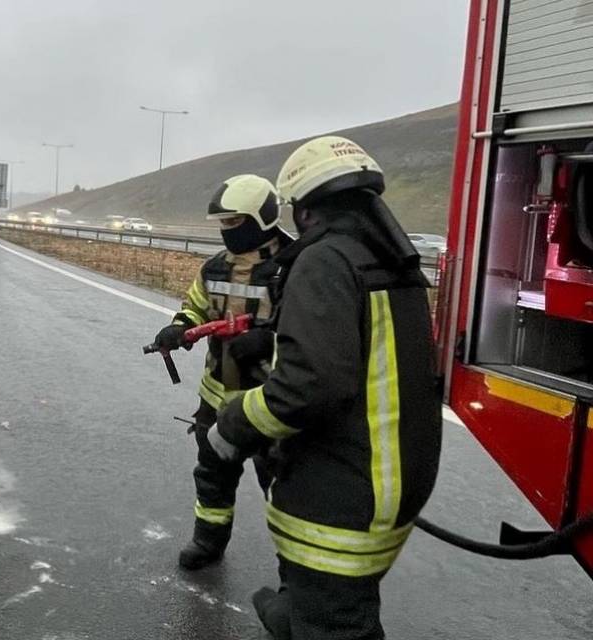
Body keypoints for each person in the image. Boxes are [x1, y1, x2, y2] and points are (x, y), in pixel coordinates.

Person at [209, 136, 442, 640]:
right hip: (396, 474)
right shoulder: (390, 263)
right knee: (337, 605)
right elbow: (355, 358)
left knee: (336, 624)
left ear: (306, 209)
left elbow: (309, 386)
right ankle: (296, 613)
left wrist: (235, 421)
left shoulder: (326, 261)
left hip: (345, 487)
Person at [152, 174, 293, 570]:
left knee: (284, 488)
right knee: (212, 475)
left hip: (274, 403)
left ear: (261, 218)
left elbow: (315, 332)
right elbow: (196, 306)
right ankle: (208, 541)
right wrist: (181, 325)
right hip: (217, 400)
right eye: (223, 224)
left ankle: (296, 572)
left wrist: (271, 342)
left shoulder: (294, 266)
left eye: (235, 223)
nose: (227, 232)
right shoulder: (213, 268)